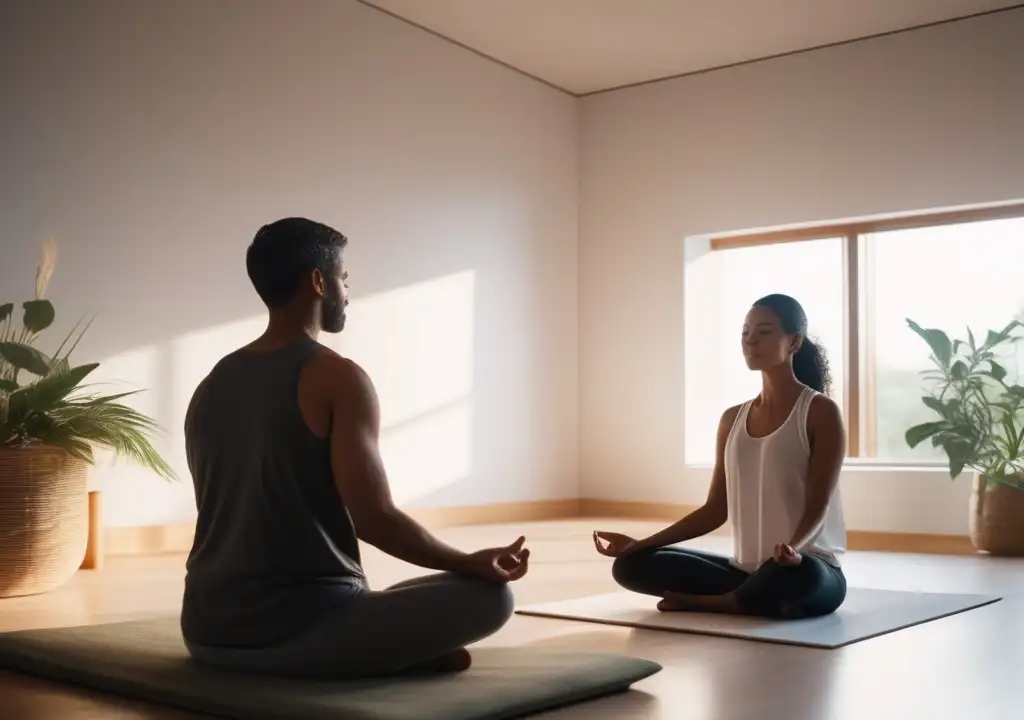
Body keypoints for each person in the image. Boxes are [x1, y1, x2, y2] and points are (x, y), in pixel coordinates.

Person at [181, 217, 529, 678]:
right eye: (344, 278)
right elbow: (374, 519)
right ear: (318, 281)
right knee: (491, 596)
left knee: (410, 594)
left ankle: (382, 650)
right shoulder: (338, 377)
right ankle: (368, 656)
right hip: (298, 629)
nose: (347, 292)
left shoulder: (212, 382)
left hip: (206, 633)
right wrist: (469, 561)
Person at [594, 294, 848, 619]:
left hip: (805, 567)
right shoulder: (732, 418)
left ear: (794, 341)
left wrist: (794, 551)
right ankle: (741, 598)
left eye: (765, 332)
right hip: (744, 573)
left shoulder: (820, 412)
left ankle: (716, 603)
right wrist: (639, 544)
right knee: (630, 567)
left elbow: (818, 504)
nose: (751, 341)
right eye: (745, 333)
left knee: (800, 577)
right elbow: (715, 511)